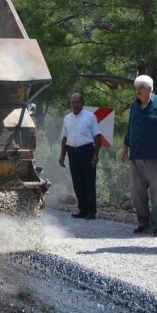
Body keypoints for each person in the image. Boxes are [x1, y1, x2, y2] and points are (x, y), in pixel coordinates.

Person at [120, 75, 157, 236]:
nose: (138, 92)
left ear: (150, 89)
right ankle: (144, 223)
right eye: (136, 89)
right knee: (138, 194)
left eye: (141, 88)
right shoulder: (134, 106)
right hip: (136, 157)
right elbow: (130, 128)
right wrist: (125, 147)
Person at [59, 92, 104, 220]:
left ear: (83, 103)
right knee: (77, 182)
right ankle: (82, 209)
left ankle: (91, 211)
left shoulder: (90, 117)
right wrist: (62, 156)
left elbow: (97, 137)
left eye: (77, 102)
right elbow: (65, 138)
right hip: (72, 152)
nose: (75, 105)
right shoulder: (67, 118)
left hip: (86, 151)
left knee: (89, 181)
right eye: (73, 102)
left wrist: (95, 155)